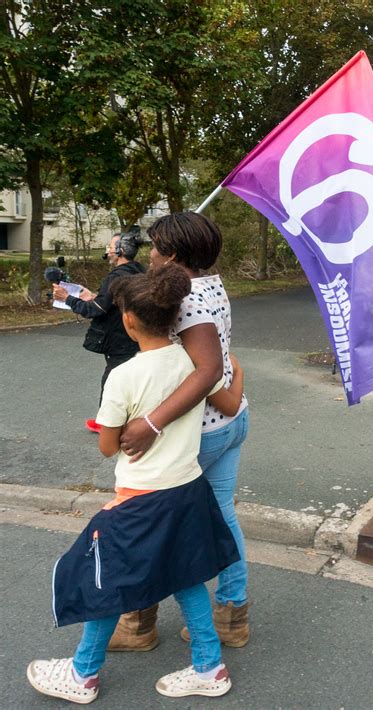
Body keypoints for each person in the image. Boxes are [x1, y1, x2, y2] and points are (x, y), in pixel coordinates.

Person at [26, 262, 244, 704]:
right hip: (186, 487)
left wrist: (118, 428)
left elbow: (110, 446)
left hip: (140, 498)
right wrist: (237, 370)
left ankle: (83, 673)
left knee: (106, 582)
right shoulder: (191, 361)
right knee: (186, 578)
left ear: (127, 320)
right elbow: (224, 391)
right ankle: (209, 666)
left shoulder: (123, 375)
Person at [110, 211, 250, 652]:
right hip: (231, 420)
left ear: (170, 254)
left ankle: (137, 625)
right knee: (223, 517)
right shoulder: (212, 284)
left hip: (198, 433)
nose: (149, 254)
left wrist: (151, 422)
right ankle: (231, 616)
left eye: (154, 247)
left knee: (151, 524)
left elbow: (206, 370)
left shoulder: (187, 300)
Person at [53, 231, 145, 432]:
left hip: (119, 337)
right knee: (129, 377)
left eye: (110, 247)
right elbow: (112, 302)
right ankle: (122, 418)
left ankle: (108, 423)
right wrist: (94, 296)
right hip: (137, 334)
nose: (108, 251)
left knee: (113, 380)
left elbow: (96, 310)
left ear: (120, 251)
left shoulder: (116, 276)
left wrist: (66, 298)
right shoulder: (139, 271)